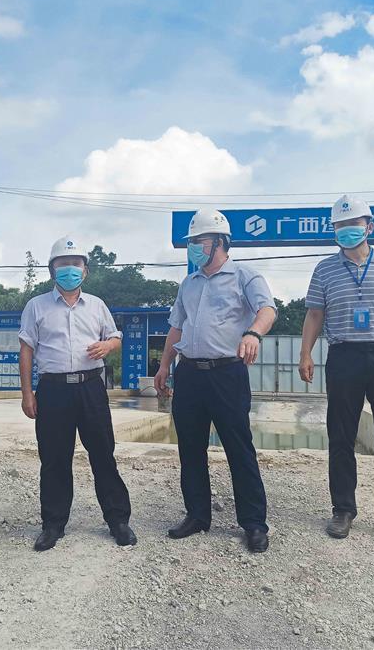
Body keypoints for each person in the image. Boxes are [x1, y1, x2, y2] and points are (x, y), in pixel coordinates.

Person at [153, 209, 276, 553]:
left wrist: (253, 333)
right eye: (191, 242)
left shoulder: (245, 276)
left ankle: (254, 523)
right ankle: (197, 515)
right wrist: (164, 366)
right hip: (189, 374)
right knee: (190, 448)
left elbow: (267, 310)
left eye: (199, 240)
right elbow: (176, 327)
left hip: (227, 374)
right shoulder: (189, 284)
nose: (193, 247)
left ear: (220, 242)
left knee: (239, 448)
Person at [298, 195, 374, 546]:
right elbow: (315, 314)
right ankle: (343, 510)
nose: (347, 230)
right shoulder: (324, 269)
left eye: (354, 224)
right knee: (341, 437)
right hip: (344, 356)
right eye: (340, 225)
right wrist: (305, 353)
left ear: (369, 226)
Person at [18, 236, 136, 551]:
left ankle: (118, 521)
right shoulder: (36, 306)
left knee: (103, 454)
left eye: (75, 264)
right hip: (53, 390)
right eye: (63, 264)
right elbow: (26, 350)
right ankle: (53, 525)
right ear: (52, 269)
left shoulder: (97, 305)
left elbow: (115, 338)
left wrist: (107, 346)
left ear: (85, 270)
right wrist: (27, 393)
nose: (69, 269)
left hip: (90, 387)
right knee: (54, 458)